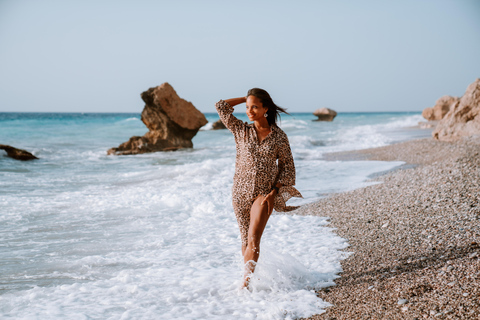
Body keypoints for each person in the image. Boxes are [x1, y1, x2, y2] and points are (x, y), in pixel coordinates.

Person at [215, 88, 302, 288]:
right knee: (245, 238)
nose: (249, 110)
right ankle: (249, 277)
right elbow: (221, 107)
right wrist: (245, 98)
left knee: (254, 237)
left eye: (254, 106)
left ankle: (245, 285)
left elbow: (287, 166)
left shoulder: (279, 137)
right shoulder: (241, 130)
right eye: (247, 107)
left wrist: (275, 191)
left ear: (266, 108)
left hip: (264, 193)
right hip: (239, 192)